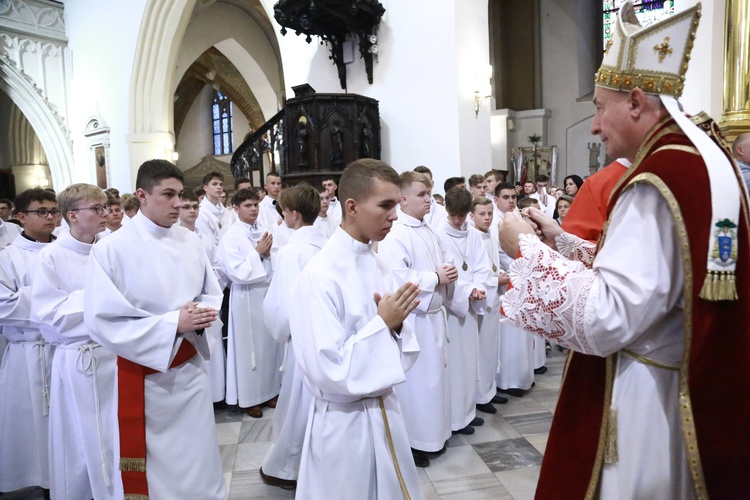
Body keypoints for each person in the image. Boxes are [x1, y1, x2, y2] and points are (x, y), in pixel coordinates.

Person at [498, 3, 750, 498]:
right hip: (690, 385)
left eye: (598, 106)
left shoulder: (657, 180)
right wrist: (563, 242)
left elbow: (607, 317)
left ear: (635, 101)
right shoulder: (703, 162)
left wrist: (525, 249)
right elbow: (660, 283)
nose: (594, 125)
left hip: (647, 403)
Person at [84, 160, 225, 499]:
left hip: (190, 371)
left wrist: (199, 313)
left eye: (180, 194)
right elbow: (102, 319)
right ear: (142, 196)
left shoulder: (189, 241)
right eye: (168, 195)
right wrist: (172, 323)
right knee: (158, 474)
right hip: (145, 380)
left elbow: (211, 291)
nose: (178, 203)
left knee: (199, 458)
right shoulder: (110, 250)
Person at [289, 159, 421, 499]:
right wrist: (383, 324)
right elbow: (328, 368)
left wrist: (396, 326)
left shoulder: (377, 262)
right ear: (351, 206)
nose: (395, 215)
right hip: (344, 425)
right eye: (386, 205)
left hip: (385, 412)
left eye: (396, 205)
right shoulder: (318, 276)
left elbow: (399, 342)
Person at [31, 183, 123, 499]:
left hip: (115, 355)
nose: (105, 213)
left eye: (105, 206)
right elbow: (50, 315)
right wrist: (100, 299)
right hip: (79, 361)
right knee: (82, 441)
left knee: (117, 436)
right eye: (96, 208)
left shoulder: (112, 248)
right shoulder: (50, 257)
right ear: (72, 215)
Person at [379, 170, 458, 468]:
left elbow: (444, 260)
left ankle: (435, 434)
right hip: (415, 320)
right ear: (403, 198)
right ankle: (412, 442)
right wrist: (435, 277)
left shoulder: (428, 229)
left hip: (434, 317)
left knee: (435, 383)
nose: (428, 200)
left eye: (429, 194)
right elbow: (398, 278)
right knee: (416, 386)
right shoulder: (396, 234)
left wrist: (448, 272)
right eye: (422, 195)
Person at [260, 184, 326, 490]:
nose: (282, 215)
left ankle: (287, 468)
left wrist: (278, 329)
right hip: (325, 339)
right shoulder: (326, 244)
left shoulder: (291, 252)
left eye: (283, 210)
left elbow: (280, 309)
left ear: (294, 215)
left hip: (301, 341)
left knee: (297, 405)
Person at [0, 188, 59, 494]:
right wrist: (51, 302)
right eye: (42, 211)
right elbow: (4, 307)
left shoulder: (68, 251)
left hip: (62, 351)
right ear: (21, 217)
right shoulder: (8, 258)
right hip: (26, 352)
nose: (50, 217)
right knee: (31, 429)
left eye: (54, 211)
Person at [218, 188, 282, 418]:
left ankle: (271, 391)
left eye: (255, 204)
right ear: (236, 209)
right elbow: (236, 272)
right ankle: (250, 398)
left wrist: (266, 254)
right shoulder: (231, 237)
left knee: (269, 346)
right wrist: (257, 253)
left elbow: (277, 256)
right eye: (247, 205)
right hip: (245, 296)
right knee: (249, 350)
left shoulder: (265, 230)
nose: (253, 209)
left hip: (266, 292)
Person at [435, 187, 487, 433]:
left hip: (470, 304)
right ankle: (455, 417)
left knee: (470, 361)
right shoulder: (438, 235)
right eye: (454, 215)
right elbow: (445, 272)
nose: (458, 220)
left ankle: (468, 411)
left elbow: (481, 267)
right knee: (454, 364)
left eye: (462, 215)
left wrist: (477, 287)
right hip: (452, 307)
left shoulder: (474, 236)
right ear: (447, 210)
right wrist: (467, 291)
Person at [178, 189, 228, 407]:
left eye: (194, 207)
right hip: (188, 303)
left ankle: (217, 395)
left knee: (214, 350)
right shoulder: (176, 237)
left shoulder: (204, 234)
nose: (191, 211)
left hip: (208, 297)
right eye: (186, 207)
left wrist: (211, 289)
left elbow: (217, 264)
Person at [490, 183, 535, 397]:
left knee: (523, 333)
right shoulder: (494, 223)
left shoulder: (518, 218)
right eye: (505, 197)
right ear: (496, 199)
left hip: (523, 280)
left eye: (513, 197)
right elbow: (498, 254)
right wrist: (519, 265)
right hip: (507, 281)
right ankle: (509, 379)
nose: (510, 201)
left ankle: (524, 375)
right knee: (508, 335)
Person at [469, 197, 509, 410]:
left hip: (494, 299)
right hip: (481, 301)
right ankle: (481, 396)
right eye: (482, 214)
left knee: (492, 348)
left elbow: (492, 265)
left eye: (489, 213)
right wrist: (495, 281)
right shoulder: (472, 237)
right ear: (471, 216)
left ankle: (490, 390)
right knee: (482, 350)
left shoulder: (491, 234)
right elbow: (474, 273)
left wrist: (499, 275)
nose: (487, 218)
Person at [562, 159, 631, 242]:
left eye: (571, 184)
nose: (567, 187)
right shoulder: (594, 186)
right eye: (566, 185)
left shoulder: (597, 185)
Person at [196, 171, 234, 244]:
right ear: (205, 187)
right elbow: (207, 242)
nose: (219, 187)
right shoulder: (200, 213)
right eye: (214, 184)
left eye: (221, 184)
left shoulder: (228, 213)